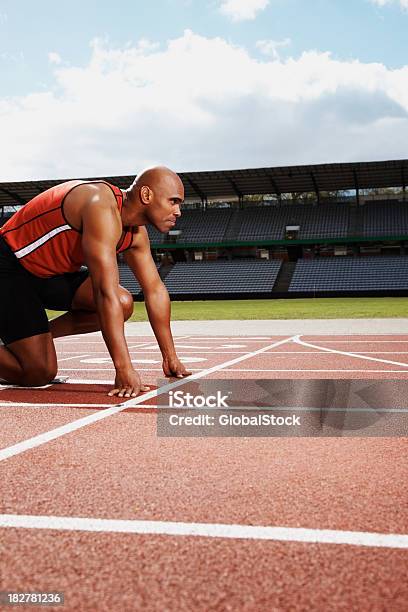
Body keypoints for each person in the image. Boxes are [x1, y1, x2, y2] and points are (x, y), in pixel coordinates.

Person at [0, 166, 191, 397]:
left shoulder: (135, 233)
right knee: (39, 372)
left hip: (48, 274)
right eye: (173, 201)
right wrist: (123, 368)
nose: (178, 211)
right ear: (147, 195)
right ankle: (31, 346)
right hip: (10, 264)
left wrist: (170, 356)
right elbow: (104, 292)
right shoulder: (100, 204)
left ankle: (36, 339)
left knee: (123, 303)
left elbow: (155, 290)